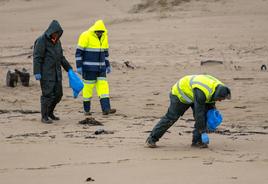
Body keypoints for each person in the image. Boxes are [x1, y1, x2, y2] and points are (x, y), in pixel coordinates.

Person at [146, 74, 231, 148]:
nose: (220, 101)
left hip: (194, 94)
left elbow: (208, 108)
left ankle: (197, 141)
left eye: (222, 99)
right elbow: (199, 113)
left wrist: (211, 116)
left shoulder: (221, 88)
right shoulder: (202, 92)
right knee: (171, 118)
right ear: (216, 95)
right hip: (180, 94)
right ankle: (152, 139)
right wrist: (203, 131)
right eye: (219, 99)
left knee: (205, 115)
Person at [33, 20, 73, 124]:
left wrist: (69, 68)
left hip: (57, 74)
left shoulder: (58, 42)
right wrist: (37, 72)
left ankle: (50, 112)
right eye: (55, 32)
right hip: (46, 74)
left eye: (58, 33)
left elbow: (61, 58)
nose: (56, 34)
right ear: (51, 31)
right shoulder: (41, 40)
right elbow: (37, 58)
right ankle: (44, 116)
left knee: (58, 95)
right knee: (47, 95)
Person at [75, 20, 116, 115]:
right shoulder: (85, 35)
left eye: (101, 32)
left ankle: (106, 109)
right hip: (89, 69)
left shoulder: (104, 37)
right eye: (98, 31)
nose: (99, 33)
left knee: (104, 88)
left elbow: (105, 54)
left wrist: (108, 65)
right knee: (88, 89)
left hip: (101, 69)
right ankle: (87, 110)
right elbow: (78, 52)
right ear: (94, 30)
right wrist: (79, 66)